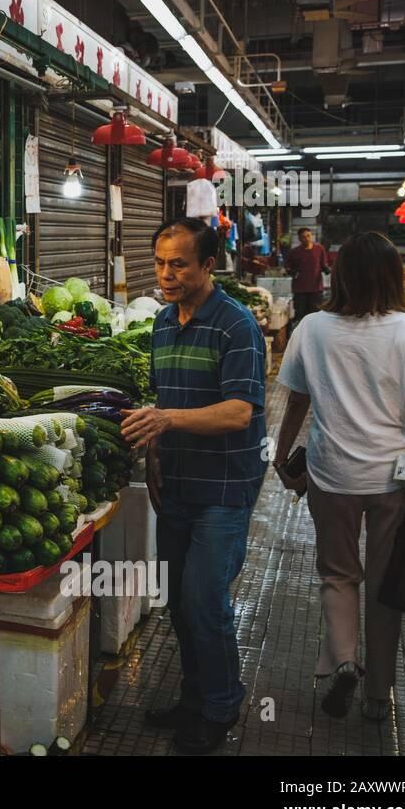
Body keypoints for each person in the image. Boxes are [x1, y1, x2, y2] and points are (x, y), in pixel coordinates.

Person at [272, 232, 405, 722]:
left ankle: (345, 662)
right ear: (393, 275)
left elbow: (297, 400)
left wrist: (282, 456)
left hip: (332, 475)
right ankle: (377, 698)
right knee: (385, 583)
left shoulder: (313, 327)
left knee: (338, 575)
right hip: (395, 479)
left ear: (338, 274)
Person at [121, 218, 267, 754]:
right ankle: (193, 697)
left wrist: (167, 423)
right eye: (160, 262)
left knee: (205, 602)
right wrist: (156, 457)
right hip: (178, 484)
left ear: (209, 265)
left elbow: (239, 411)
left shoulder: (237, 326)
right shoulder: (162, 322)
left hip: (224, 489)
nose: (166, 273)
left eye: (179, 263)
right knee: (180, 604)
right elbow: (166, 396)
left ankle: (222, 706)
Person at [285, 227, 330, 326]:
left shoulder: (319, 249)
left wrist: (327, 270)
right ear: (299, 239)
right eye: (303, 237)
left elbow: (323, 265)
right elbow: (287, 268)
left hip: (316, 289)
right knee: (301, 317)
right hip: (300, 290)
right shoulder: (294, 252)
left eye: (308, 236)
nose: (307, 239)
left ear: (312, 236)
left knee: (316, 316)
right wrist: (292, 272)